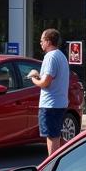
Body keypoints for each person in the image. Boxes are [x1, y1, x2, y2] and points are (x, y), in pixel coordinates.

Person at [28, 28, 70, 156]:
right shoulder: (61, 56)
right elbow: (52, 79)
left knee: (52, 136)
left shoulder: (50, 57)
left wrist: (33, 78)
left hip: (50, 104)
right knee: (56, 135)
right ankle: (70, 156)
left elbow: (46, 82)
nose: (40, 43)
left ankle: (52, 166)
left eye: (42, 40)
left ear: (48, 41)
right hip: (59, 103)